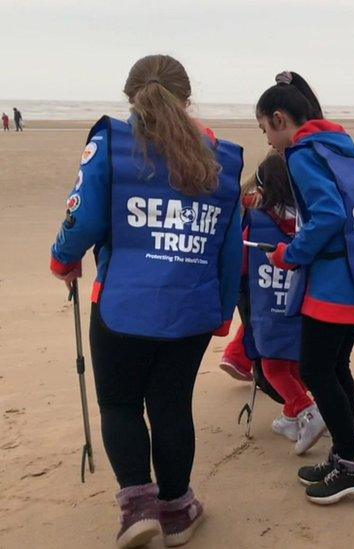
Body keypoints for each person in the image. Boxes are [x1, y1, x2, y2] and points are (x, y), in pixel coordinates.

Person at [48, 55, 243, 548]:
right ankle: (177, 511)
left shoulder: (112, 145)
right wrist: (222, 312)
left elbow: (84, 218)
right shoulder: (220, 159)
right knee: (172, 405)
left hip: (123, 305)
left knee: (119, 403)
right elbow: (228, 247)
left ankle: (138, 510)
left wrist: (62, 259)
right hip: (192, 308)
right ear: (187, 97)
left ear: (130, 95)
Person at [256, 71, 354, 504]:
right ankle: (343, 455)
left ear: (281, 118)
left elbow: (327, 217)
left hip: (332, 283)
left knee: (316, 370)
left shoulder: (303, 155)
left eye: (266, 128)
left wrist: (290, 253)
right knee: (337, 369)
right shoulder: (339, 146)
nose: (268, 140)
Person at [239, 152, 320, 449]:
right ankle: (290, 416)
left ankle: (305, 409)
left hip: (268, 305)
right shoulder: (308, 220)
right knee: (293, 364)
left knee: (272, 367)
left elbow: (243, 266)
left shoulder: (257, 220)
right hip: (299, 303)